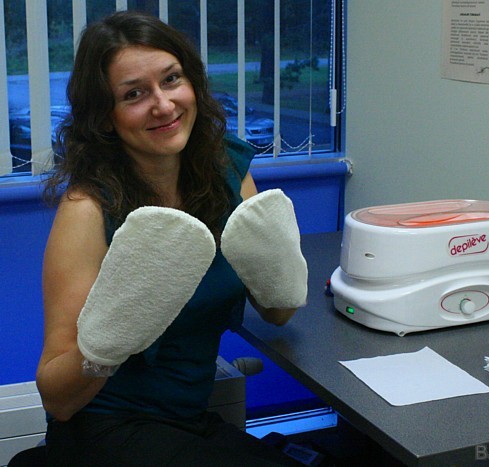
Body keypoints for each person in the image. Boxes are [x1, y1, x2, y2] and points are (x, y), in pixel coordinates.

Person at [37, 10, 303, 466]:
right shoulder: (88, 209)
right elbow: (58, 400)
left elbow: (277, 313)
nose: (163, 104)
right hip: (106, 427)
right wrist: (108, 341)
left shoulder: (227, 175)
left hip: (189, 419)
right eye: (134, 94)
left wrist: (284, 267)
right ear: (105, 116)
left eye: (172, 79)